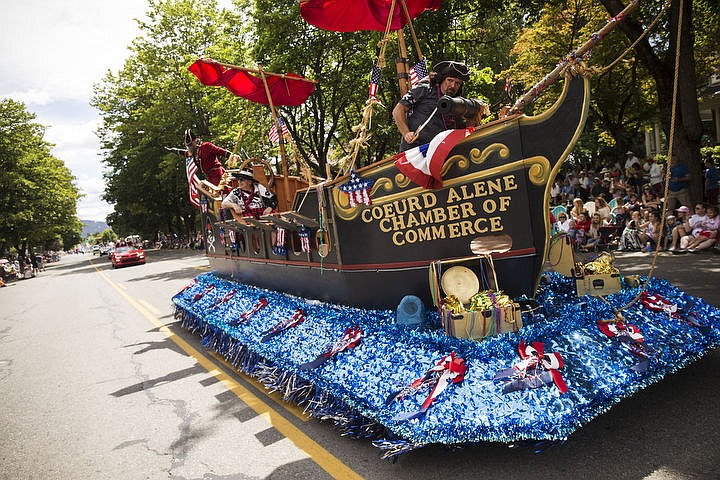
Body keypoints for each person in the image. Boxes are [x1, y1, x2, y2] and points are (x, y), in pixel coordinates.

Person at [392, 60, 489, 151]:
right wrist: (406, 133)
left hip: (440, 155)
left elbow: (462, 130)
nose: (452, 86)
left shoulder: (458, 105)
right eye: (450, 80)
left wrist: (474, 118)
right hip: (414, 153)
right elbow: (398, 110)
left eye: (457, 83)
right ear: (442, 79)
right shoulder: (425, 89)